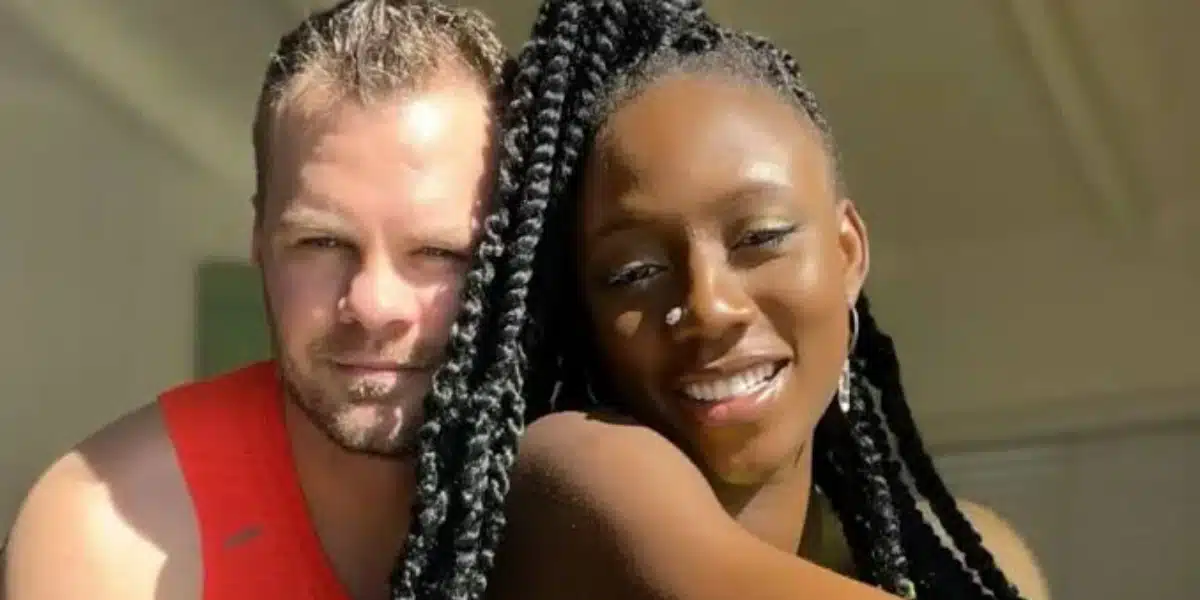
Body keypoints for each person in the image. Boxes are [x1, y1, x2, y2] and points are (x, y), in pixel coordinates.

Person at [476, 1, 1053, 599]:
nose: (709, 307)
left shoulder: (972, 556)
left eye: (760, 238)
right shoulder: (570, 481)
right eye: (635, 271)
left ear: (847, 253)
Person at [3, 1, 512, 599]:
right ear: (259, 238)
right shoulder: (108, 532)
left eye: (438, 252)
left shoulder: (578, 509)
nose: (373, 305)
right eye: (322, 242)